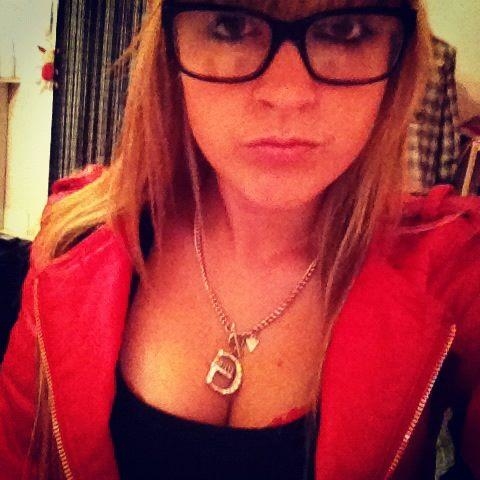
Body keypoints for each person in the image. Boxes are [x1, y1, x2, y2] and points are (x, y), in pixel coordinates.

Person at [0, 0, 479, 478]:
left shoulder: (453, 272)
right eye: (231, 26)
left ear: (398, 55)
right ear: (170, 51)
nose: (287, 94)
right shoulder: (74, 243)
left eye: (345, 30)